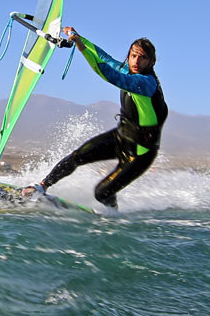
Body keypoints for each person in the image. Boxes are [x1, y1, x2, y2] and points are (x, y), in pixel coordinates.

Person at [23, 26, 168, 208]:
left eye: (142, 57)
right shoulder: (129, 71)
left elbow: (109, 74)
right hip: (121, 137)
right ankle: (41, 186)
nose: (136, 61)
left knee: (101, 192)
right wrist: (78, 38)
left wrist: (82, 48)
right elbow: (104, 57)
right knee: (77, 156)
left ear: (151, 62)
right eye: (133, 55)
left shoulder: (145, 84)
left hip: (140, 154)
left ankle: (112, 215)